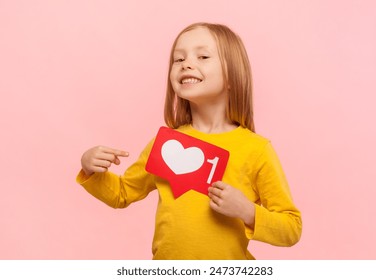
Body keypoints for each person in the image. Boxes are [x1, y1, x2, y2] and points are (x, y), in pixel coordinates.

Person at [76, 22, 302, 260]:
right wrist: (90, 168)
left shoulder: (256, 150)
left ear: (232, 76)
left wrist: (248, 212)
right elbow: (121, 194)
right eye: (178, 59)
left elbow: (291, 228)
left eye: (203, 56)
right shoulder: (165, 145)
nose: (186, 64)